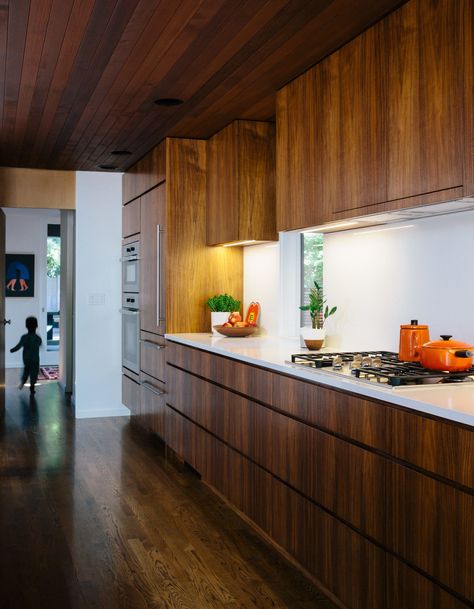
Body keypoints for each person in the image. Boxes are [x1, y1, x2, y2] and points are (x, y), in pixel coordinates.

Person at [10, 316, 42, 394]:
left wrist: (12, 350)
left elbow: (19, 346)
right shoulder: (38, 338)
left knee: (26, 371)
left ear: (26, 326)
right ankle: (32, 386)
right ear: (36, 326)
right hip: (35, 360)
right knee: (34, 373)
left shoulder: (24, 337)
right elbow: (40, 344)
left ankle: (23, 382)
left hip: (27, 359)